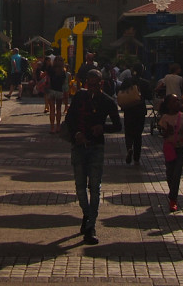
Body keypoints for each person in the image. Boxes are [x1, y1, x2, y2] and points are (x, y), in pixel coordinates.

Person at [63, 69, 121, 245]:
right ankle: (87, 214)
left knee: (95, 187)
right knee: (80, 187)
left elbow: (118, 125)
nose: (92, 88)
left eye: (96, 84)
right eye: (90, 84)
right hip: (79, 146)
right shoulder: (80, 97)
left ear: (101, 83)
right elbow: (69, 119)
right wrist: (77, 133)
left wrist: (103, 128)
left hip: (96, 147)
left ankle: (90, 225)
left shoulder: (107, 101)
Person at [159, 94, 183, 211]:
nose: (177, 103)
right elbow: (163, 133)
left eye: (178, 101)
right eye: (174, 101)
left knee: (177, 172)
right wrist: (167, 131)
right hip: (169, 148)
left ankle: (173, 198)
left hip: (180, 148)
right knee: (170, 173)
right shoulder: (165, 118)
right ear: (168, 105)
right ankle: (173, 193)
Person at [118, 63, 153, 165]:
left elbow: (120, 91)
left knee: (128, 131)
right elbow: (149, 96)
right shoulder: (145, 83)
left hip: (129, 109)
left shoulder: (127, 81)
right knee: (138, 134)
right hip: (140, 110)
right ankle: (136, 157)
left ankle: (129, 148)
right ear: (142, 71)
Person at [46, 56, 69, 133]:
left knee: (52, 109)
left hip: (51, 90)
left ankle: (52, 128)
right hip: (59, 91)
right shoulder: (63, 72)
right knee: (58, 109)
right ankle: (58, 127)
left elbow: (48, 79)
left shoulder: (51, 70)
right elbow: (64, 84)